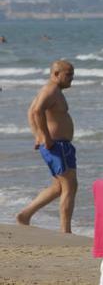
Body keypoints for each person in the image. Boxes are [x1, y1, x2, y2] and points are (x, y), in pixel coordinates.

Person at [16, 60, 78, 233]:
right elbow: (36, 111)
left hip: (59, 145)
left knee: (58, 187)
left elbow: (31, 110)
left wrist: (38, 136)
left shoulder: (52, 90)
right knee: (70, 186)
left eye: (72, 74)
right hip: (57, 146)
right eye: (68, 75)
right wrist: (44, 137)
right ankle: (66, 232)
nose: (72, 78)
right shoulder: (50, 90)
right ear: (56, 74)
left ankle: (25, 215)